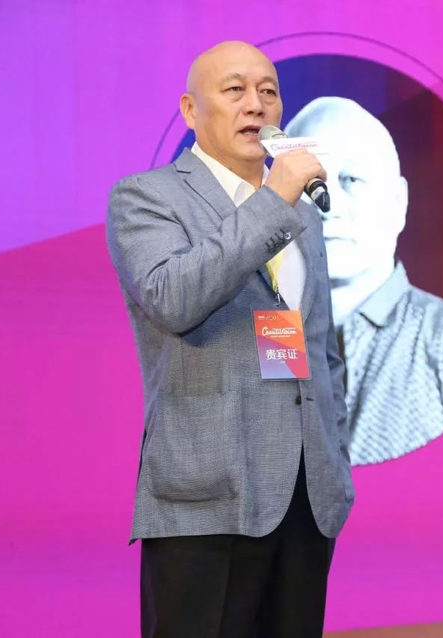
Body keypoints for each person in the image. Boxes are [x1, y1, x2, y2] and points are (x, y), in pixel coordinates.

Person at [106, 41, 353, 637]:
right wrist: (273, 201)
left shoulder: (303, 214)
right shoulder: (147, 197)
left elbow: (323, 349)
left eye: (268, 91)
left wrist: (335, 461)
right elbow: (174, 299)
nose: (256, 104)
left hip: (305, 498)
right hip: (206, 498)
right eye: (235, 89)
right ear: (191, 110)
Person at [285, 97, 443, 465]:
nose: (328, 204)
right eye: (308, 183)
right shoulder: (247, 338)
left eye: (351, 180)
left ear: (398, 201)